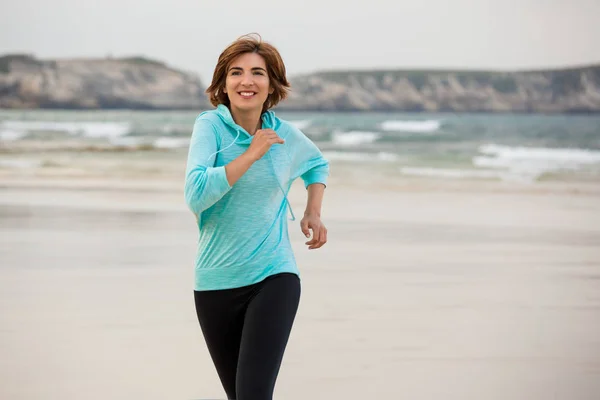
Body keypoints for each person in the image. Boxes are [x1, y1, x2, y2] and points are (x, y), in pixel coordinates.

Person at [184, 33, 330, 400]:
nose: (246, 81)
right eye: (235, 72)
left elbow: (316, 164)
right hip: (215, 281)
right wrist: (251, 153)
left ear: (271, 85)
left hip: (274, 275)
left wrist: (313, 211)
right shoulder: (210, 128)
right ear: (223, 84)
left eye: (257, 73)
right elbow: (196, 194)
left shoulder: (284, 134)